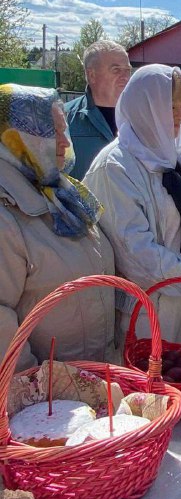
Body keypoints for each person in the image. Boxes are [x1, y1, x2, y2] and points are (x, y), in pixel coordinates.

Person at [84, 64, 181, 348]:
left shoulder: (179, 155)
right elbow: (136, 253)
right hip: (143, 314)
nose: (179, 115)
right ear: (144, 107)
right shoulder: (115, 167)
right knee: (148, 387)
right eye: (169, 106)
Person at [0, 83, 116, 372]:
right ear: (14, 138)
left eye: (65, 130)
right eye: (52, 131)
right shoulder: (6, 214)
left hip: (89, 382)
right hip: (45, 400)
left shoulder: (62, 192)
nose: (65, 141)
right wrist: (34, 385)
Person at [65, 40, 132, 179]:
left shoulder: (141, 119)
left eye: (128, 70)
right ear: (92, 75)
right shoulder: (64, 120)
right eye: (116, 70)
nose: (125, 77)